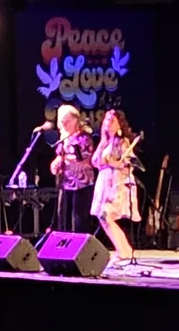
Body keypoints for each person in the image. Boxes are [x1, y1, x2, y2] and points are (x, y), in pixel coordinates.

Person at [90, 109, 141, 265]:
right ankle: (124, 250)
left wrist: (112, 162)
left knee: (107, 215)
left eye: (112, 120)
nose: (108, 123)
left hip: (116, 182)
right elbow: (95, 162)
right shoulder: (105, 142)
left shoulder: (122, 142)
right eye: (106, 120)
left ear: (119, 124)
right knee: (103, 217)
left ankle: (124, 251)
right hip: (104, 182)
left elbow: (127, 165)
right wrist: (104, 152)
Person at [50, 104, 95, 233]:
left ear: (76, 120)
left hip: (82, 183)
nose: (64, 124)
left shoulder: (84, 137)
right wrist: (55, 164)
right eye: (62, 121)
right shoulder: (63, 138)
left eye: (67, 120)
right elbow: (59, 157)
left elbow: (87, 160)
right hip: (66, 183)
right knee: (63, 217)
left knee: (79, 218)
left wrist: (65, 160)